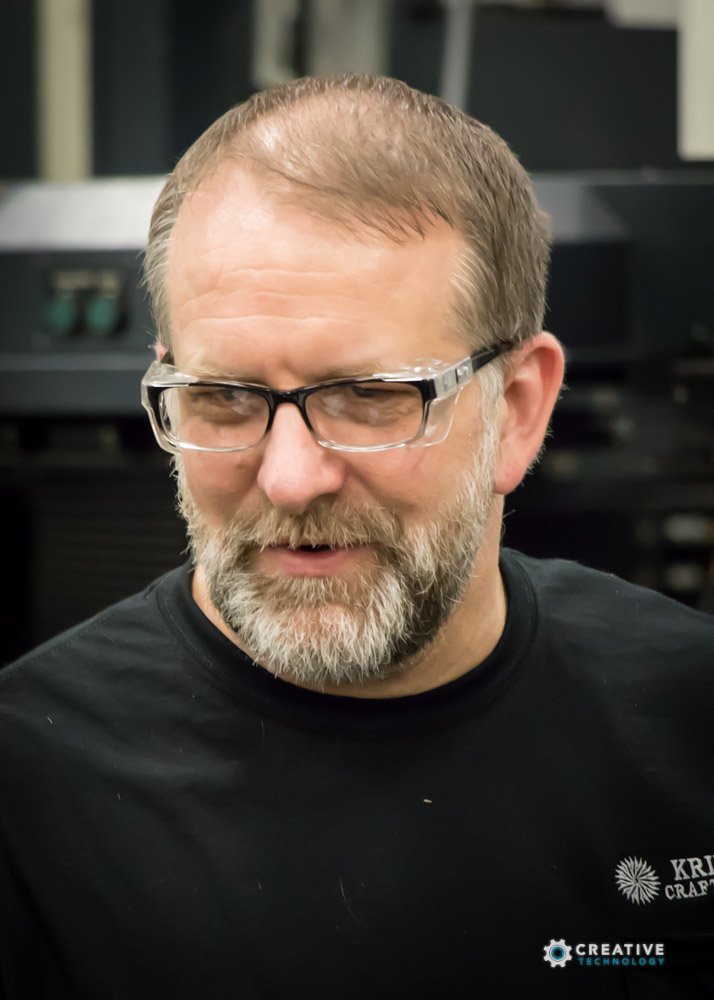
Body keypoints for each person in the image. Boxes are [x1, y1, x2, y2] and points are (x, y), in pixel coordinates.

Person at [0, 75, 712, 1000]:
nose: (291, 478)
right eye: (224, 399)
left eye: (371, 397)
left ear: (518, 409)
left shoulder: (689, 717)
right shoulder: (30, 789)